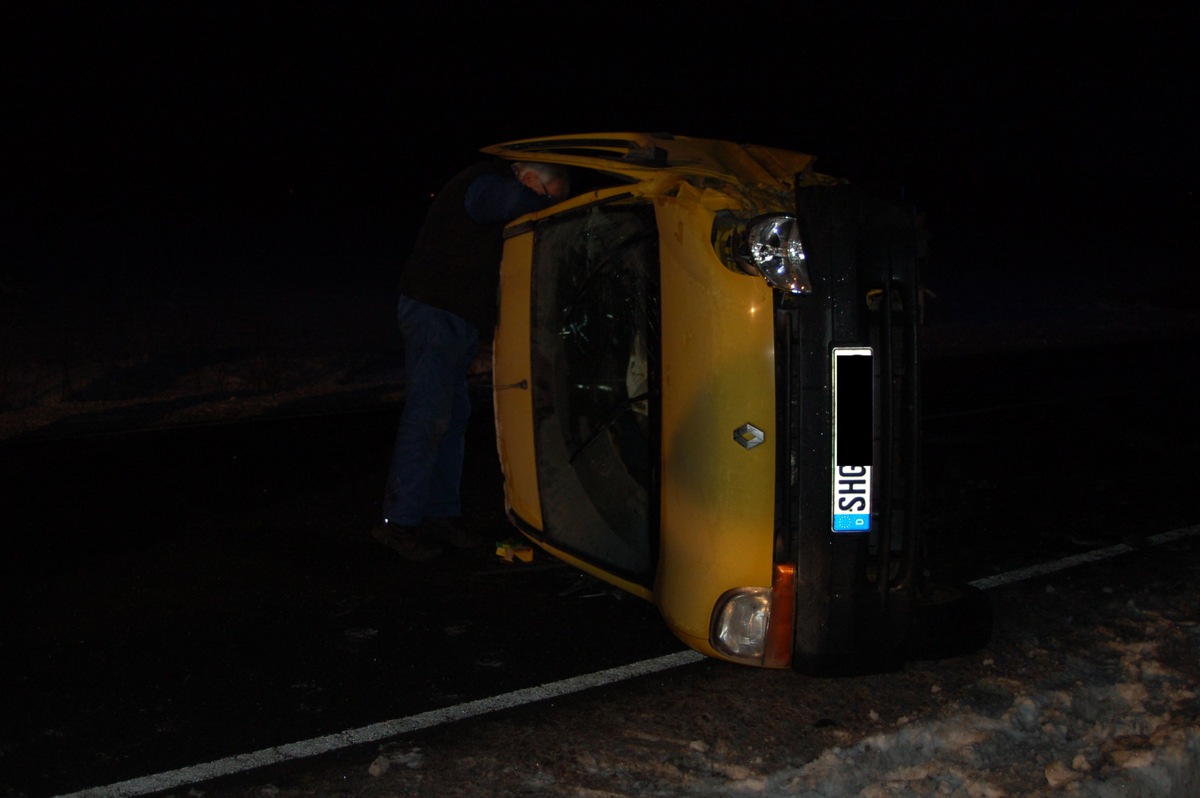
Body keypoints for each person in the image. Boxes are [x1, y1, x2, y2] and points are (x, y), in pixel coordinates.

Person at [373, 159, 570, 561]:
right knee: (428, 415)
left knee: (452, 417)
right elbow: (512, 199)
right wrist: (543, 205)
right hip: (434, 310)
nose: (542, 207)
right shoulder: (486, 183)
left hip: (454, 317)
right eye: (546, 196)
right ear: (531, 179)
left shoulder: (490, 187)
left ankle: (440, 514)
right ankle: (400, 523)